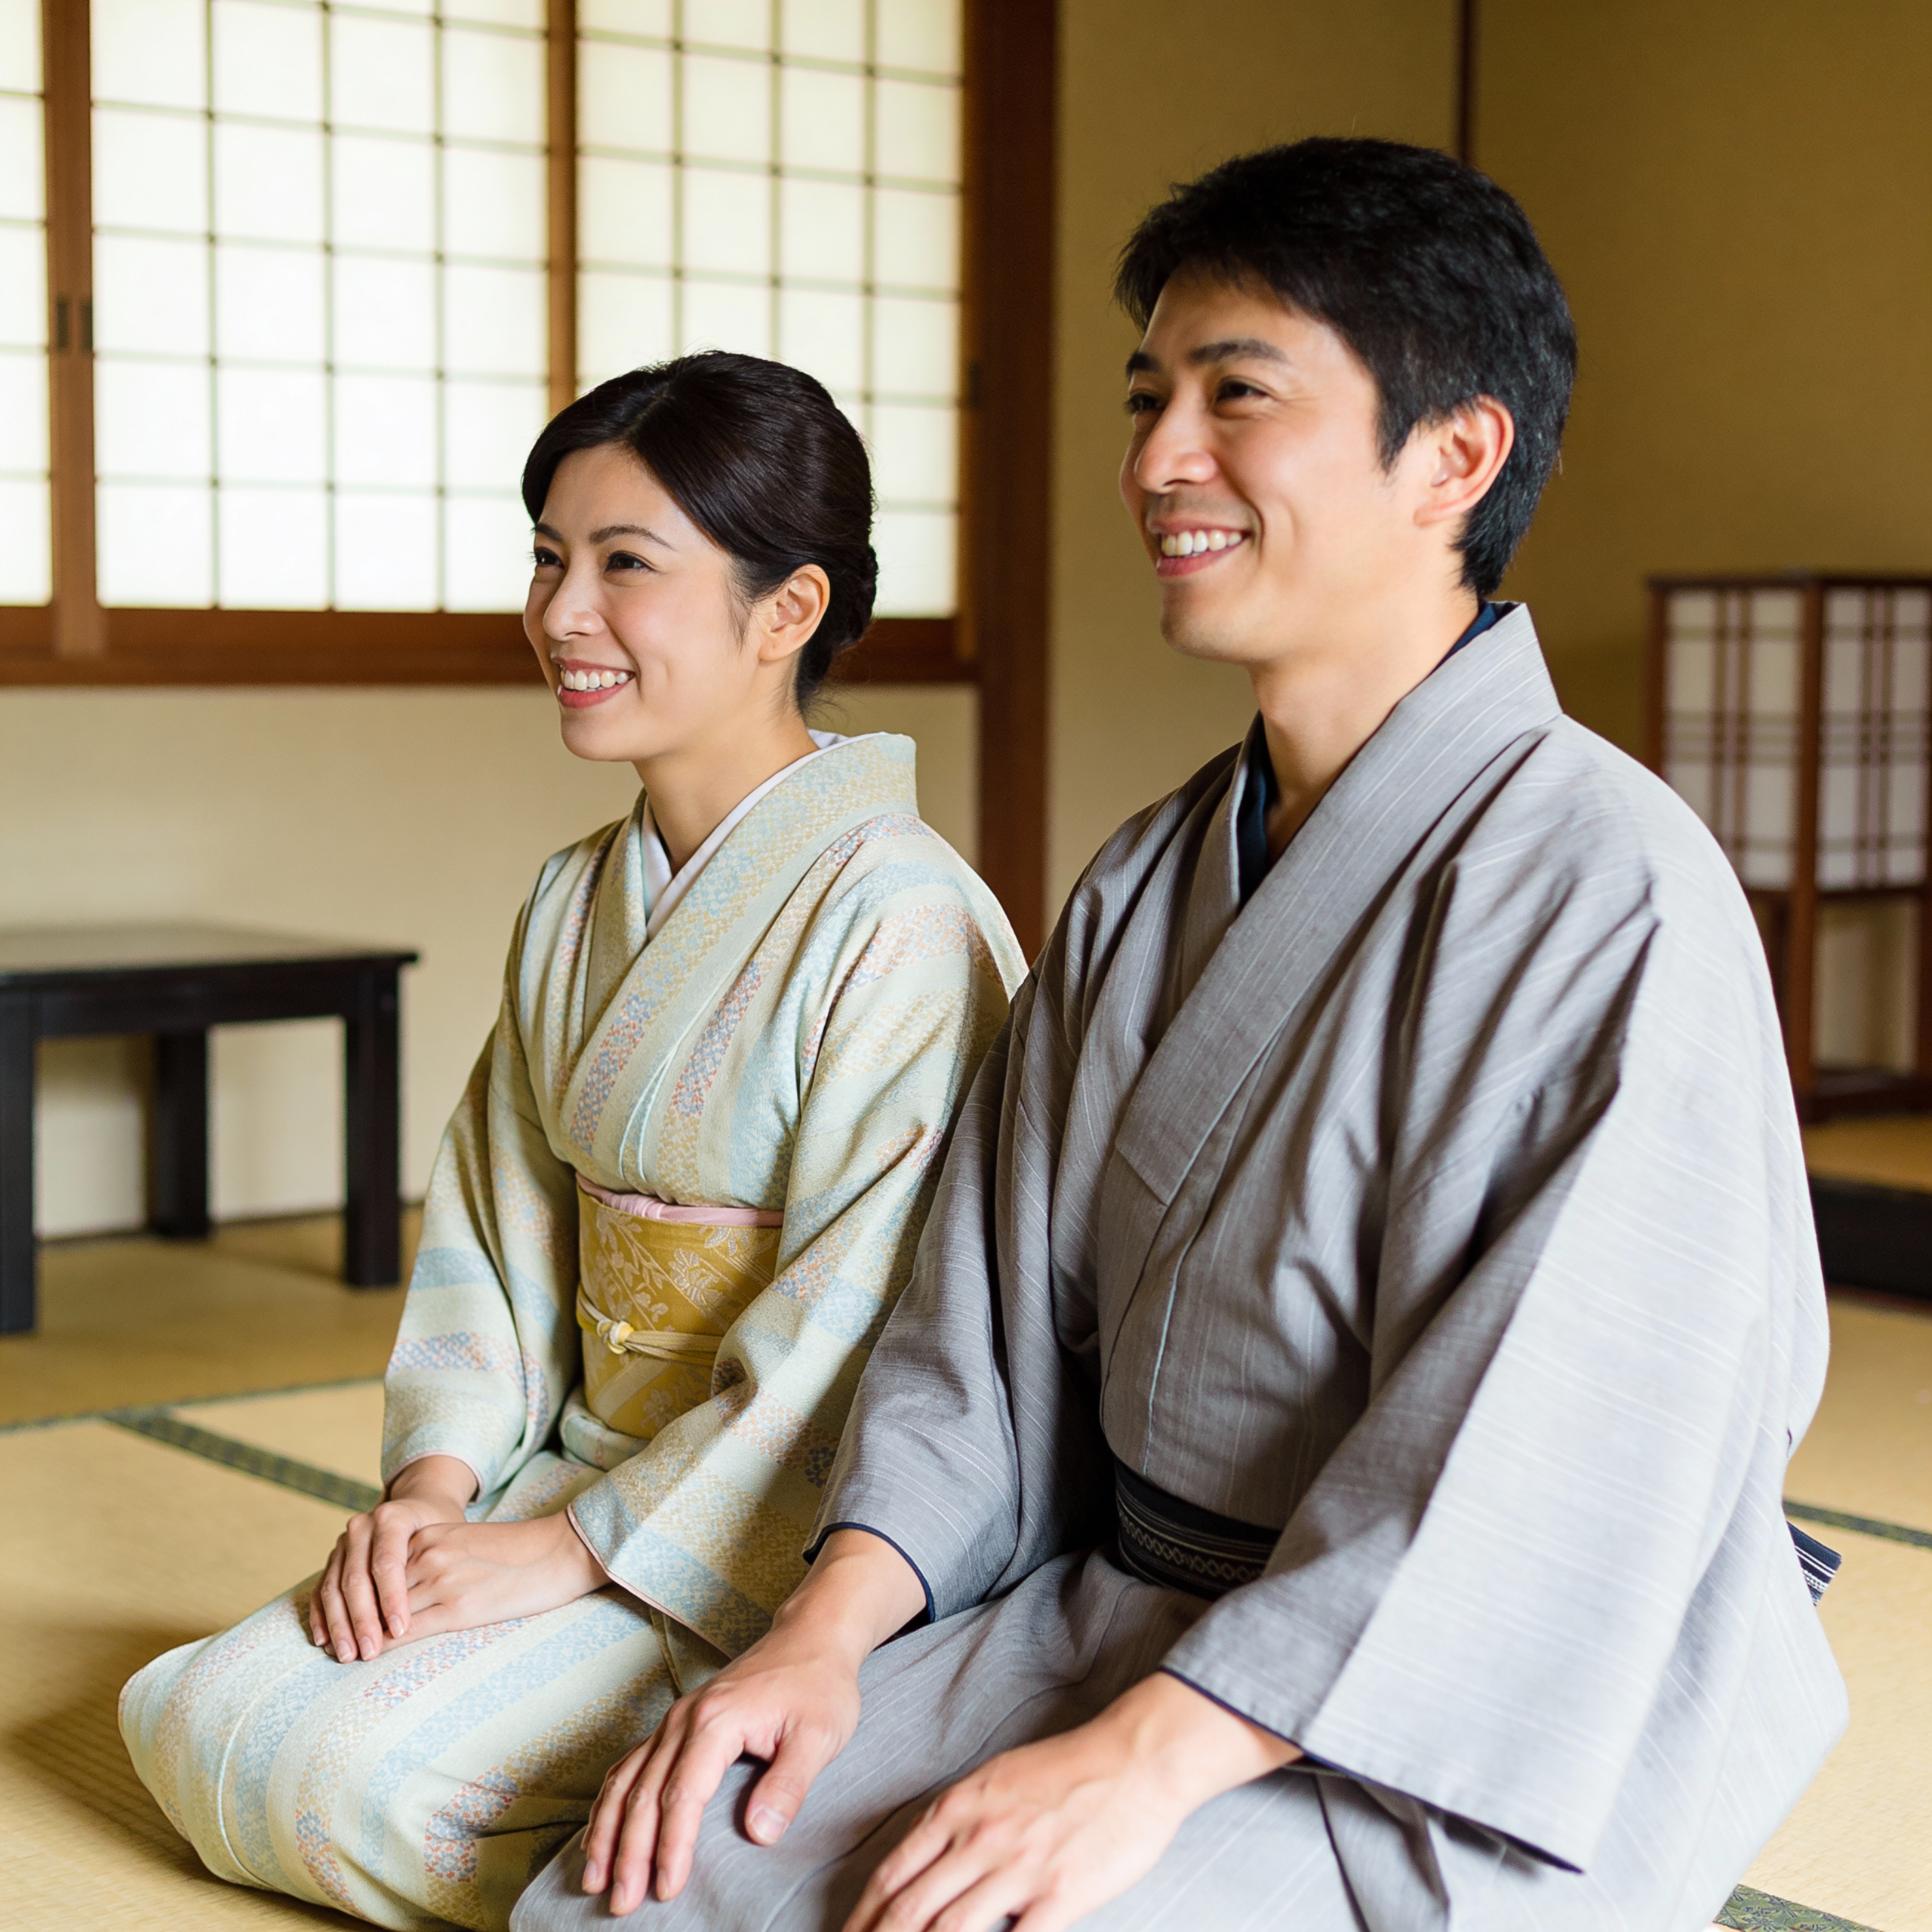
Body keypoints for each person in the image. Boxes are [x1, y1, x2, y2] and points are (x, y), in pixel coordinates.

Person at [511, 140, 1847, 1932]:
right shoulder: (1148, 876)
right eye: (1149, 396)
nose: (1156, 461)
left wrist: (1145, 1759)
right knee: (634, 1889)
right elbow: (970, 1342)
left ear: (1453, 454)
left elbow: (1544, 1461)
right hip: (1118, 1607)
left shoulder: (1611, 894)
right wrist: (820, 1638)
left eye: (1237, 393)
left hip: (1431, 1712)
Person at [118, 352, 1028, 1932]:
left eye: (625, 565)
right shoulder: (568, 900)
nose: (559, 614)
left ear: (785, 608)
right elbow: (494, 1227)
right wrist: (436, 1489)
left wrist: (583, 1551)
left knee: (336, 1778)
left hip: (781, 1528)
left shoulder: (900, 920)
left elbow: (862, 1327)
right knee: (196, 1716)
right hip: (559, 1477)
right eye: (548, 556)